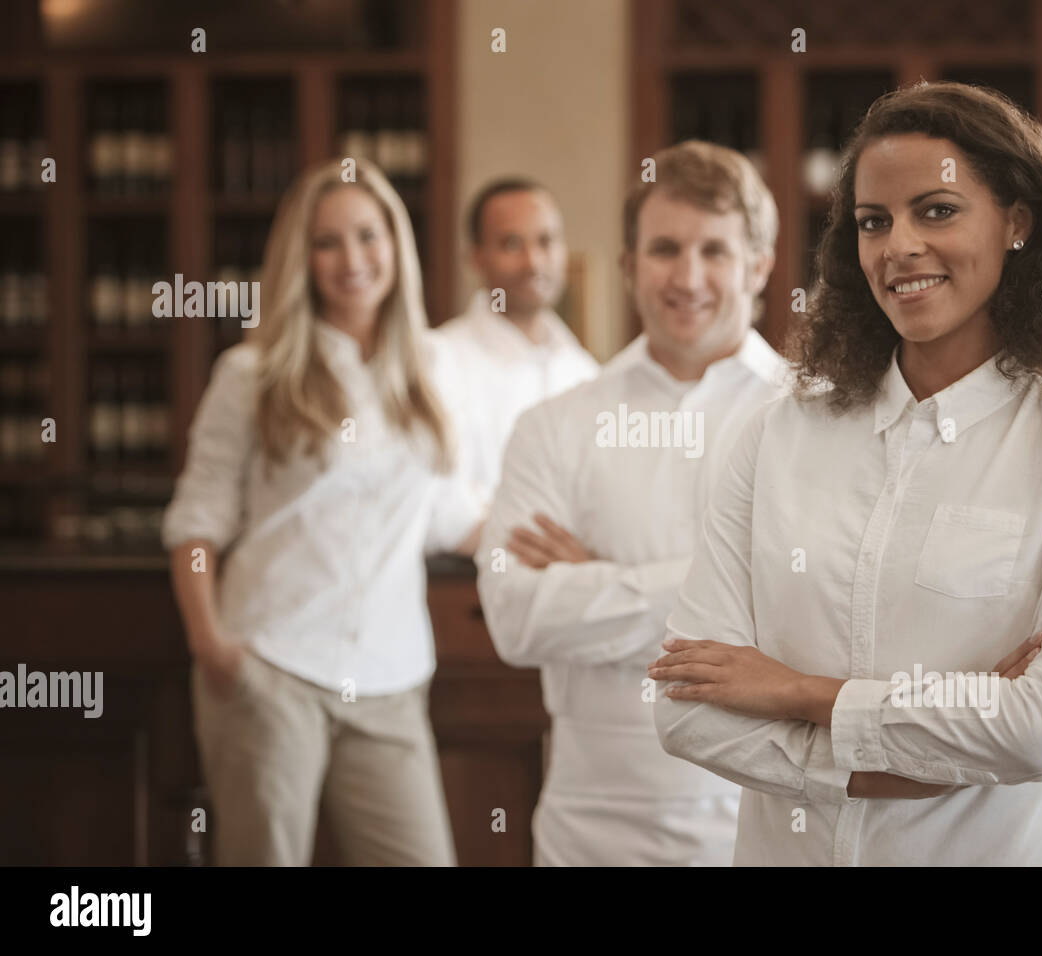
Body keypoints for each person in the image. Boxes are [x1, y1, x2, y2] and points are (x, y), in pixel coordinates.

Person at [651, 81, 1042, 866]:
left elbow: (1040, 730)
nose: (899, 247)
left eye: (938, 210)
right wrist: (900, 767)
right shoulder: (773, 433)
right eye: (873, 222)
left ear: (1016, 222)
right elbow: (687, 711)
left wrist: (795, 691)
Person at [475, 141, 789, 865]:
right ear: (627, 264)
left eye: (715, 250)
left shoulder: (819, 418)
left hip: (764, 821)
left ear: (760, 266)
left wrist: (595, 576)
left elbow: (828, 609)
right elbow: (517, 619)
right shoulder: (554, 425)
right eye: (664, 248)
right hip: (592, 828)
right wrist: (729, 586)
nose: (688, 276)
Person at [162, 157, 483, 866]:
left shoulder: (435, 369)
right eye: (327, 242)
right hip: (271, 669)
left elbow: (449, 514)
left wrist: (570, 537)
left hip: (393, 676)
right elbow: (195, 522)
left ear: (396, 245)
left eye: (369, 236)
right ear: (299, 259)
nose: (352, 259)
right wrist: (211, 646)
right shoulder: (253, 374)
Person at [431, 179, 600, 502]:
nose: (533, 262)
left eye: (546, 242)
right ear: (476, 257)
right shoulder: (440, 361)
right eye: (511, 244)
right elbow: (442, 506)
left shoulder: (585, 373)